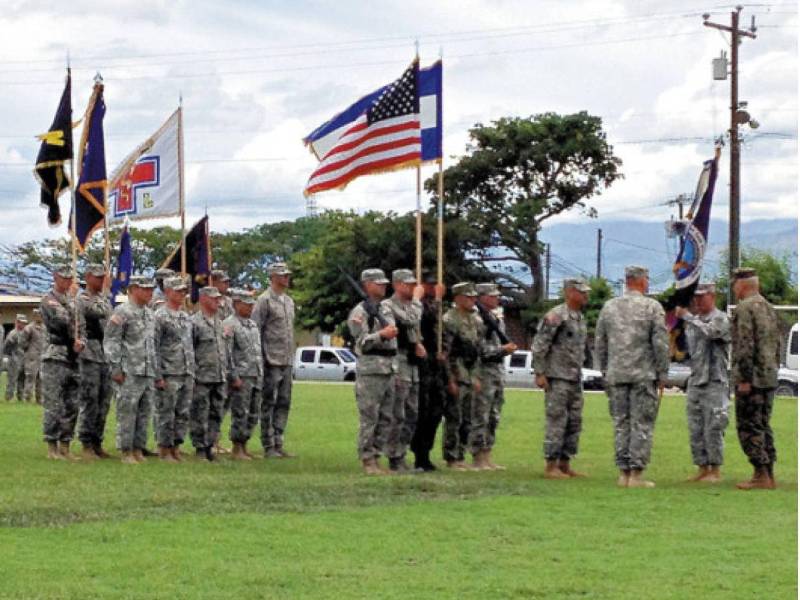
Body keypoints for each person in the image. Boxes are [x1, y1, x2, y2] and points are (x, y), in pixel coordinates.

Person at [595, 265, 669, 488]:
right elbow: (660, 342)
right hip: (643, 375)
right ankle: (636, 474)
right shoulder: (651, 307)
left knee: (621, 423)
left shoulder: (609, 307)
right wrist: (663, 371)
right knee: (642, 423)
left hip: (616, 374)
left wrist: (605, 370)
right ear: (642, 281)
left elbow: (600, 342)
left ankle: (623, 472)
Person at [532, 278, 590, 479]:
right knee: (557, 420)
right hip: (557, 376)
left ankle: (565, 462)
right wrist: (539, 372)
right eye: (582, 292)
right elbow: (540, 344)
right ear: (570, 292)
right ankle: (551, 465)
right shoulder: (556, 315)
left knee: (574, 421)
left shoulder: (579, 317)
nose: (586, 296)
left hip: (574, 376)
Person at [730, 267, 781, 490]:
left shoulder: (745, 308)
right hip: (769, 376)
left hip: (752, 379)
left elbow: (745, 346)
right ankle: (768, 472)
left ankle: (760, 473)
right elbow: (777, 343)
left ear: (742, 285)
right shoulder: (768, 307)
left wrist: (743, 378)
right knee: (763, 424)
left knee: (749, 426)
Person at [675, 283, 731, 483]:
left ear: (712, 296)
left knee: (714, 425)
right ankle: (701, 467)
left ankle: (715, 470)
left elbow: (712, 333)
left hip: (715, 380)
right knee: (695, 426)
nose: (697, 301)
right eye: (695, 297)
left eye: (702, 297)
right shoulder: (693, 322)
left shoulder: (721, 318)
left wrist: (688, 317)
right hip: (696, 380)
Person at [347, 268, 398, 475]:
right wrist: (381, 335)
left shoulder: (385, 309)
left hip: (388, 368)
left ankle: (377, 456)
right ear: (367, 285)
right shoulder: (360, 312)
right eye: (378, 283)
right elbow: (361, 343)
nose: (383, 286)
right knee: (370, 417)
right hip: (370, 370)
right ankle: (367, 459)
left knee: (386, 418)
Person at [104, 275, 158, 465]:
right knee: (127, 411)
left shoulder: (150, 314)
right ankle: (126, 450)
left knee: (144, 412)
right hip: (129, 370)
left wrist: (156, 371)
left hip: (147, 370)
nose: (150, 292)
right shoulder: (122, 312)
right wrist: (116, 367)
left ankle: (138, 448)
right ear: (133, 289)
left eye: (151, 289)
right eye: (145, 289)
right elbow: (112, 341)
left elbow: (153, 345)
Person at [40, 265, 86, 460]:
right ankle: (52, 446)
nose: (67, 282)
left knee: (72, 403)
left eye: (70, 279)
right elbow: (62, 320)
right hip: (56, 355)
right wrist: (71, 302)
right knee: (54, 403)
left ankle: (65, 445)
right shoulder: (48, 299)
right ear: (55, 277)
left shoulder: (74, 301)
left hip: (73, 357)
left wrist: (81, 341)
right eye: (63, 278)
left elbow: (80, 325)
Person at [252, 262, 296, 458]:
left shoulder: (288, 301)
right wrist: (260, 358)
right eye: (282, 275)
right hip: (270, 359)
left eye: (287, 275)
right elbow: (256, 329)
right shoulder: (264, 301)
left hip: (286, 359)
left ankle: (279, 441)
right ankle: (268, 444)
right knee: (268, 402)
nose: (286, 278)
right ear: (272, 277)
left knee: (284, 401)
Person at [384, 269, 425, 472]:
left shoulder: (409, 306)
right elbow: (410, 321)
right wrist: (417, 300)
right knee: (397, 413)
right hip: (398, 362)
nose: (413, 288)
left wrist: (418, 343)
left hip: (411, 364)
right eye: (408, 284)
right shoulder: (388, 306)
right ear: (398, 285)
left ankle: (402, 453)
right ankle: (394, 456)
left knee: (412, 413)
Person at [441, 282, 485, 471]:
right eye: (468, 297)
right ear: (457, 298)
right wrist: (450, 379)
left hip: (470, 372)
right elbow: (446, 352)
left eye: (474, 297)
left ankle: (461, 453)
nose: (472, 300)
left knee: (468, 419)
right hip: (456, 371)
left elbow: (476, 350)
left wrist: (476, 376)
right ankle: (452, 457)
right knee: (454, 417)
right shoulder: (449, 320)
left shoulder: (475, 319)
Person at [475, 283, 517, 470]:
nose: (496, 298)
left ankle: (487, 453)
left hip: (497, 373)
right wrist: (502, 350)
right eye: (492, 296)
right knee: (481, 415)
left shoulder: (495, 317)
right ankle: (478, 455)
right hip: (483, 372)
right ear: (481, 297)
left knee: (494, 416)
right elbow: (480, 350)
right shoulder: (478, 318)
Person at [153, 276, 195, 462]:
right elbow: (153, 347)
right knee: (166, 412)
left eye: (184, 291)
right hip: (169, 371)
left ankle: (176, 446)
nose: (182, 294)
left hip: (186, 370)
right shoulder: (159, 316)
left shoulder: (185, 316)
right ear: (167, 292)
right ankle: (164, 448)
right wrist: (158, 375)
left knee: (182, 412)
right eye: (178, 291)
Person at [76, 264, 113, 460]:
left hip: (104, 352)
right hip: (89, 352)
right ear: (88, 277)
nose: (101, 281)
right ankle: (86, 442)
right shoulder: (83, 298)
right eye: (97, 278)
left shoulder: (102, 299)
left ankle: (98, 440)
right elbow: (98, 312)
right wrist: (106, 292)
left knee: (104, 400)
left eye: (103, 278)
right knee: (90, 398)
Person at [410, 272, 446, 471]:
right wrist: (438, 299)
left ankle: (426, 453)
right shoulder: (417, 305)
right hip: (421, 363)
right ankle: (419, 454)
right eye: (430, 285)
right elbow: (427, 317)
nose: (434, 289)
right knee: (422, 410)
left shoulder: (433, 304)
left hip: (434, 363)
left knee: (436, 411)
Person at [190, 286, 228, 461]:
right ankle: (199, 448)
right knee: (200, 413)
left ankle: (210, 447)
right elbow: (190, 350)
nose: (217, 301)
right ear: (203, 299)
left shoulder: (220, 322)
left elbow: (224, 350)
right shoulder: (194, 322)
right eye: (214, 298)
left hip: (219, 376)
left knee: (216, 413)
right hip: (202, 377)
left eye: (218, 298)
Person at [224, 289, 263, 460]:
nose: (250, 307)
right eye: (246, 304)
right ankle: (236, 447)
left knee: (253, 412)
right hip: (241, 375)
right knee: (240, 411)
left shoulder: (252, 325)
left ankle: (245, 444)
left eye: (251, 304)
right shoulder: (229, 324)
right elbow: (227, 353)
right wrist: (234, 376)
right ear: (236, 304)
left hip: (255, 373)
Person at [21, 309, 46, 404]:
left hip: (42, 356)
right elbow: (22, 342)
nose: (40, 317)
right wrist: (28, 350)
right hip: (32, 356)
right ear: (34, 316)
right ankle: (27, 398)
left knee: (41, 379)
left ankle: (39, 399)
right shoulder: (29, 328)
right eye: (38, 315)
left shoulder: (44, 328)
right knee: (30, 378)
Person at [4, 314, 27, 402]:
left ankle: (20, 397)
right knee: (12, 380)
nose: (23, 325)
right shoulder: (13, 333)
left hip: (23, 359)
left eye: (24, 323)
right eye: (22, 323)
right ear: (17, 322)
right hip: (14, 359)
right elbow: (7, 346)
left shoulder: (25, 333)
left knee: (22, 379)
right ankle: (8, 397)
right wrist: (7, 357)